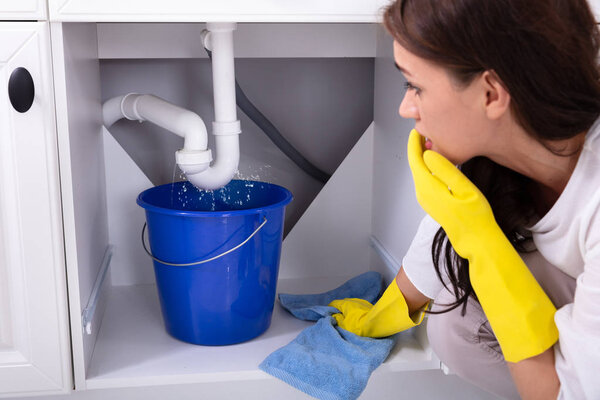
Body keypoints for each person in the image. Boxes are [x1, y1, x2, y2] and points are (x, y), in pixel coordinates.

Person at [328, 0, 600, 399]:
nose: (405, 108)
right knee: (457, 322)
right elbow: (448, 229)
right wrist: (383, 313)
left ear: (491, 94)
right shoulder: (510, 146)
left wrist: (486, 250)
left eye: (415, 87)